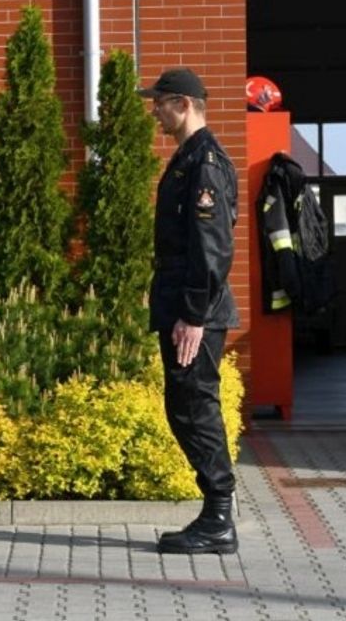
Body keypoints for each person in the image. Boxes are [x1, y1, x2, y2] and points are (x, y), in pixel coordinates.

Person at [138, 68, 240, 555]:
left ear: (182, 104)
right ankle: (215, 511)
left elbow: (212, 248)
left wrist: (194, 315)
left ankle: (219, 516)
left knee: (194, 407)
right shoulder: (189, 159)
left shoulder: (206, 165)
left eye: (159, 103)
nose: (154, 111)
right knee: (185, 406)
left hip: (195, 312)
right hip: (184, 306)